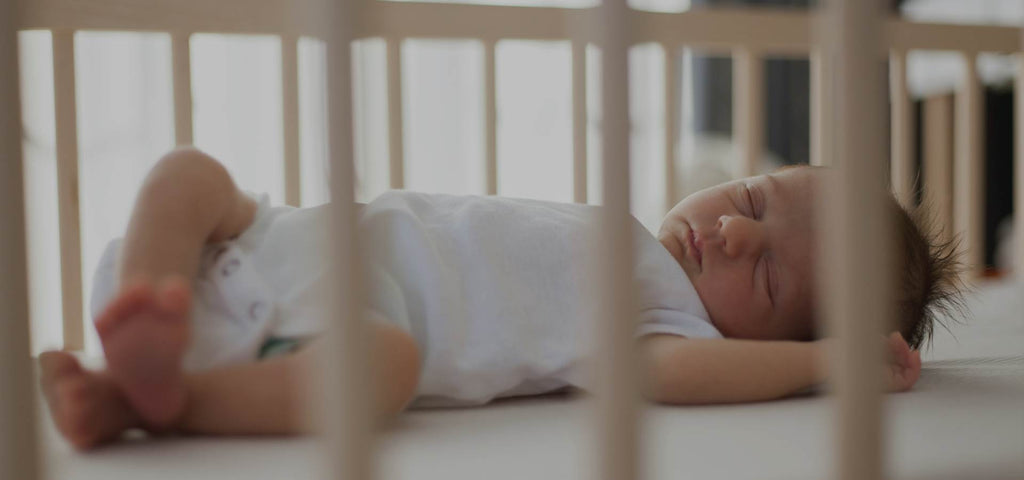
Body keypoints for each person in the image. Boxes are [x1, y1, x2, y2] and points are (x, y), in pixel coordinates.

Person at [38, 147, 962, 450]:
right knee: (189, 174)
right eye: (754, 200)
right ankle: (146, 306)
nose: (733, 233)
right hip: (270, 241)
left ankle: (156, 395)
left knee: (384, 372)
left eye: (765, 277)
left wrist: (829, 363)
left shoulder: (664, 320)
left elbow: (671, 376)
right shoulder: (628, 237)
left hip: (324, 335)